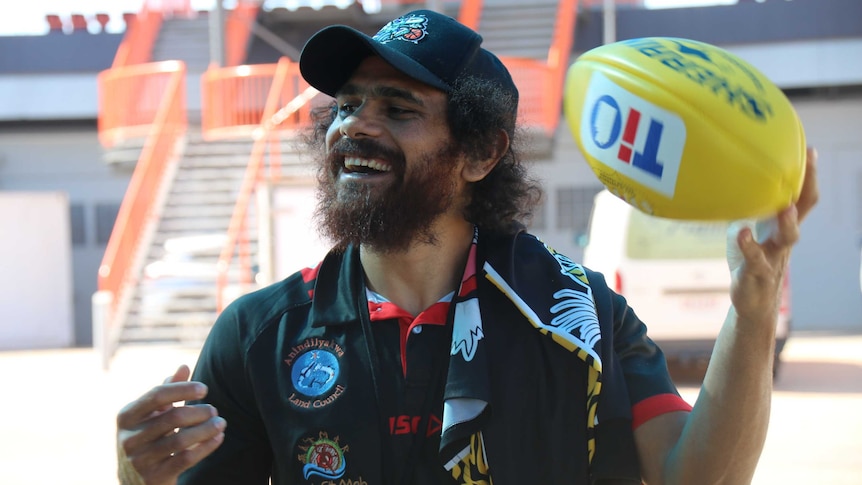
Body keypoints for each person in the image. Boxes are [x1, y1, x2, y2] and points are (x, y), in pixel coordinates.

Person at [116, 9, 819, 485]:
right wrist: (139, 474)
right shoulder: (260, 332)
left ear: (481, 153)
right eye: (348, 104)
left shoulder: (580, 316)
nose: (353, 128)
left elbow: (693, 472)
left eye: (398, 109)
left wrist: (754, 310)